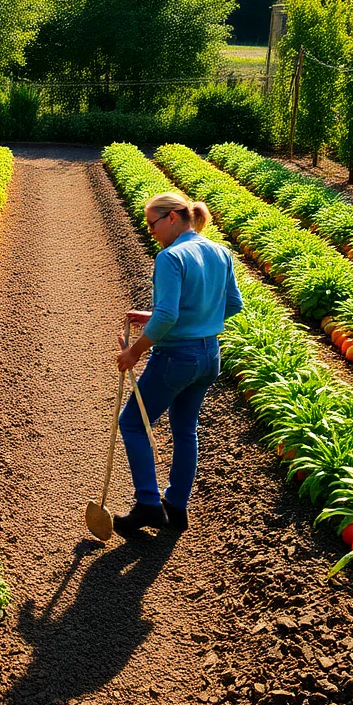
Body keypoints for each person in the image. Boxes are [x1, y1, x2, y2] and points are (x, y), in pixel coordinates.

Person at [113, 190, 243, 534]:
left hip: (175, 357)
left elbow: (169, 314)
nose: (150, 230)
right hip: (208, 355)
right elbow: (232, 305)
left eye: (152, 222)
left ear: (172, 218)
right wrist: (173, 320)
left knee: (133, 424)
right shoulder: (220, 251)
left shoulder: (170, 257)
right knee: (186, 429)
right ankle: (177, 507)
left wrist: (134, 351)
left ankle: (148, 505)